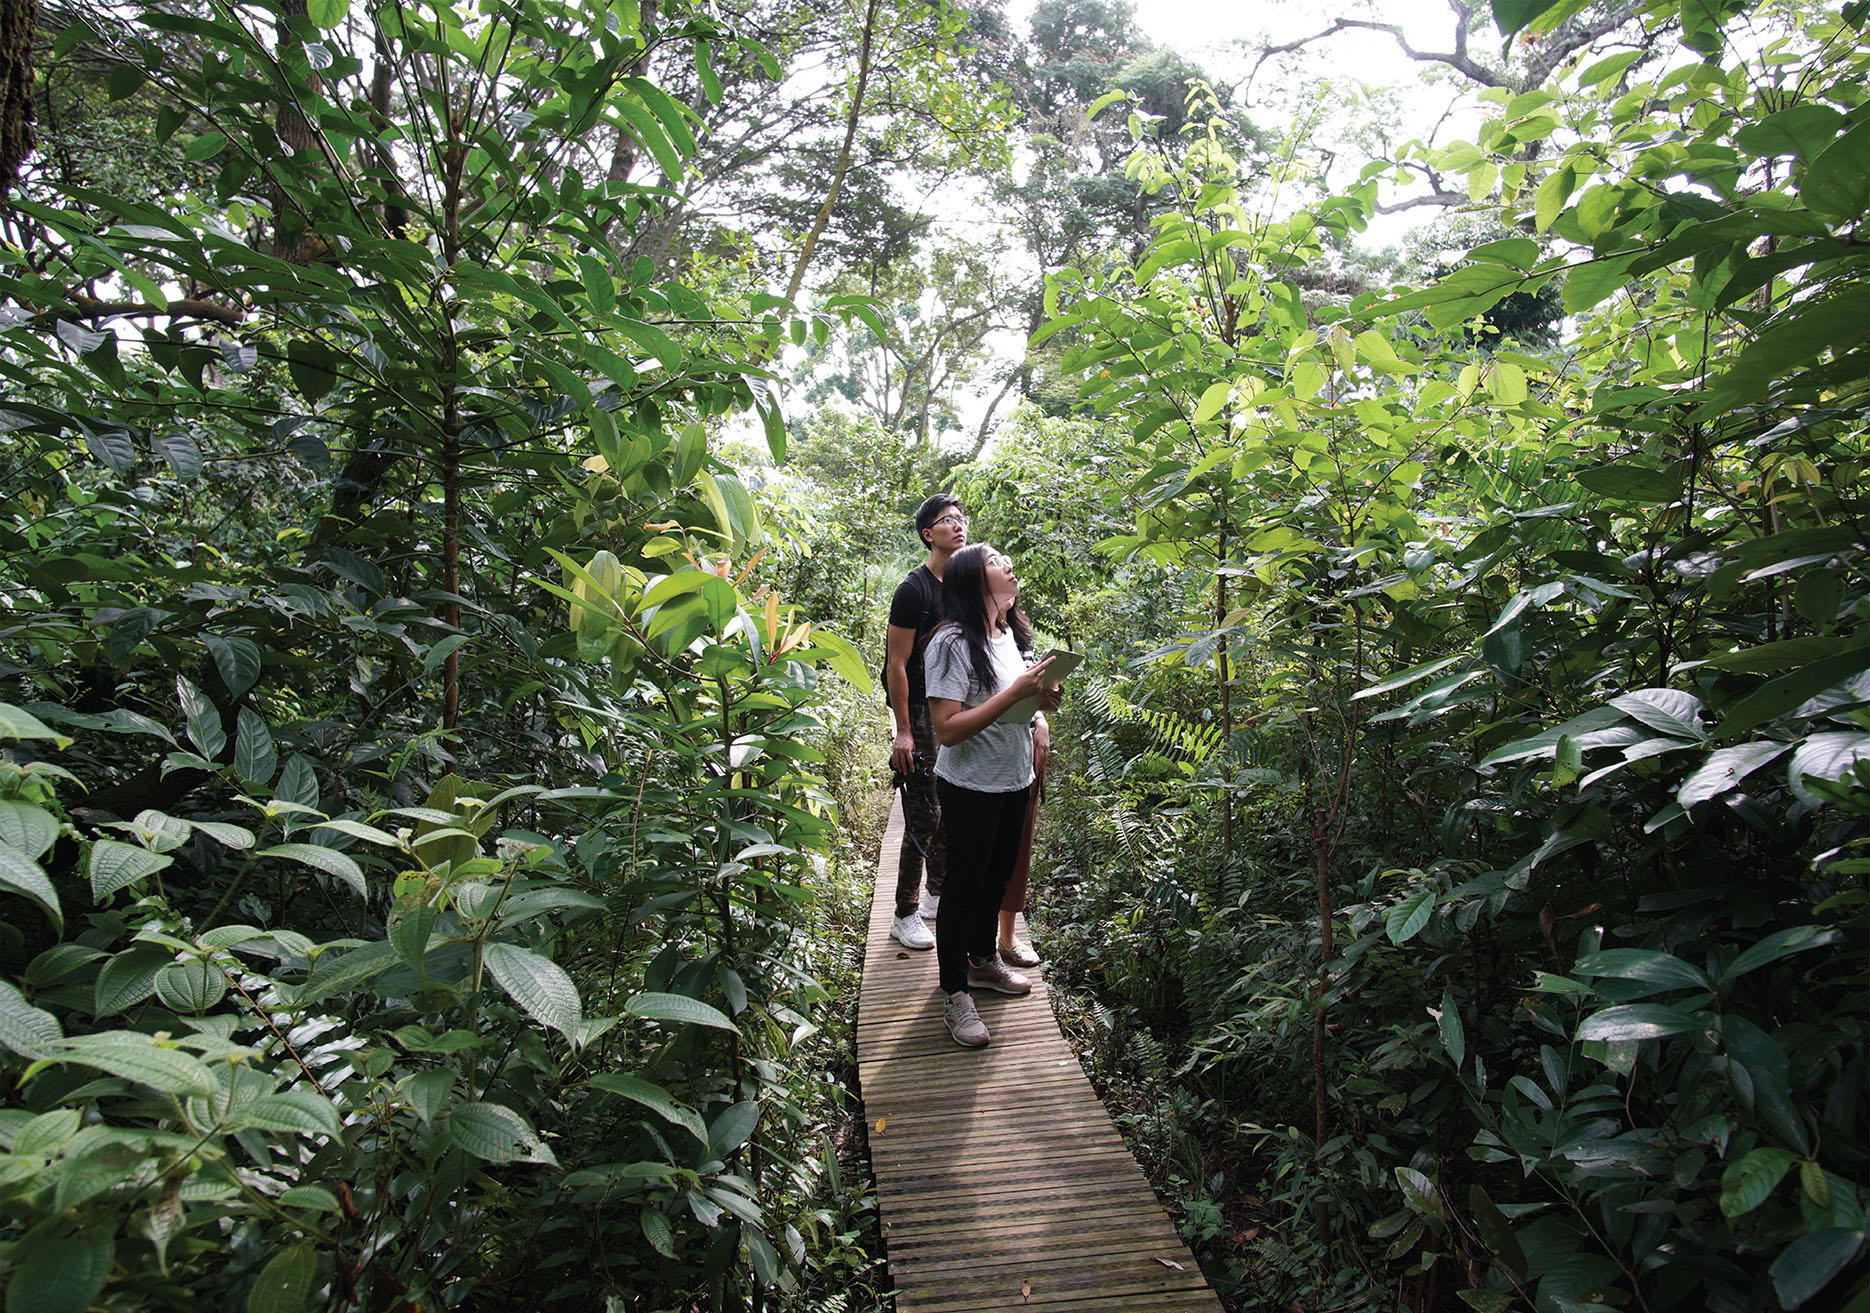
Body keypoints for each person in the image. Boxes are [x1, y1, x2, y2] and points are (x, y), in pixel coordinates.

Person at [923, 544, 1060, 1048]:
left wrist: (1040, 700)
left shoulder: (1008, 631)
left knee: (995, 879)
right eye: (996, 560)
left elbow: (1011, 706)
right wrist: (1017, 692)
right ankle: (954, 994)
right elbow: (948, 728)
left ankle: (982, 962)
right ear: (973, 581)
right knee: (962, 889)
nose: (1008, 564)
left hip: (1013, 776)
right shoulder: (952, 642)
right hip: (969, 784)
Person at [883, 494, 968, 950]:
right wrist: (904, 730)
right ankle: (904, 911)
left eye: (961, 518)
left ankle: (936, 894)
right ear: (927, 534)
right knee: (923, 813)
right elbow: (897, 664)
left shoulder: (965, 583)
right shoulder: (913, 590)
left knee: (952, 805)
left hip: (956, 707)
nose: (958, 525)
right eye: (946, 520)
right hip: (920, 709)